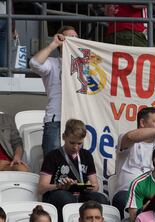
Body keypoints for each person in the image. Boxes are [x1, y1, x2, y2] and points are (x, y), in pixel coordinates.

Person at [38, 119, 108, 222]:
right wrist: (59, 186)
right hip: (58, 194)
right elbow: (41, 188)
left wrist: (89, 187)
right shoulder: (52, 156)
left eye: (79, 143)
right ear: (63, 137)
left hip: (81, 194)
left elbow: (96, 186)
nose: (75, 147)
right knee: (65, 198)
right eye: (72, 143)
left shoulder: (86, 155)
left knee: (101, 199)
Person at [29, 26, 78, 156]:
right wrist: (54, 44)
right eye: (69, 38)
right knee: (53, 162)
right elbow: (34, 63)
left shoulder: (87, 65)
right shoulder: (52, 63)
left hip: (81, 118)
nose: (73, 40)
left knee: (80, 163)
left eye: (76, 38)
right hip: (56, 119)